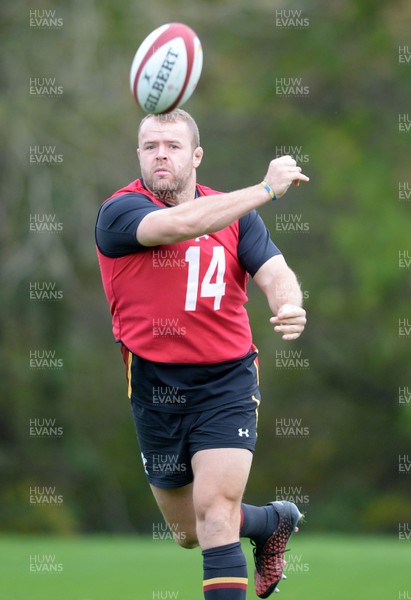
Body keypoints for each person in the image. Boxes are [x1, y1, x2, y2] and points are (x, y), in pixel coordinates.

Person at [95, 108, 309, 599]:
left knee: (215, 515)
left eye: (171, 146)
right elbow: (175, 226)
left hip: (225, 381)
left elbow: (275, 272)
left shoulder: (237, 217)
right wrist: (266, 189)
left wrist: (289, 304)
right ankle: (273, 521)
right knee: (190, 532)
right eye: (150, 147)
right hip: (154, 387)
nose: (160, 156)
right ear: (139, 156)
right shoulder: (119, 212)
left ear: (196, 156)